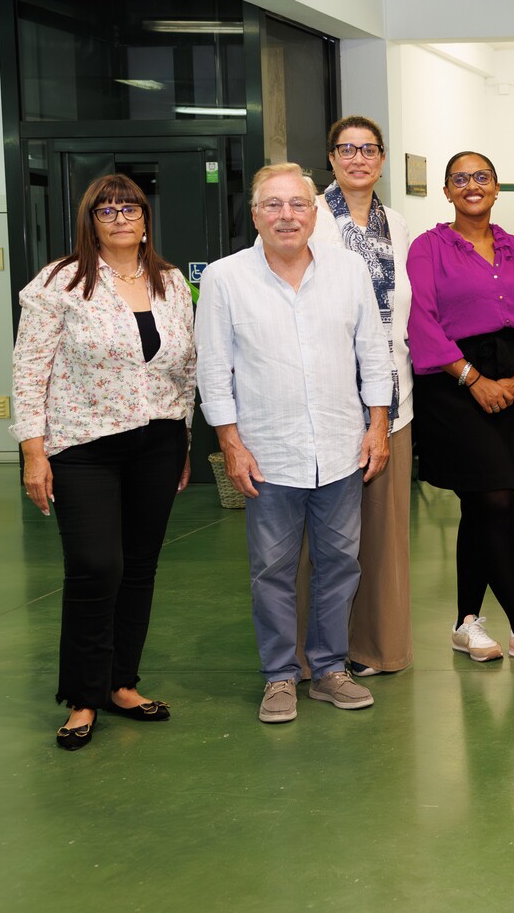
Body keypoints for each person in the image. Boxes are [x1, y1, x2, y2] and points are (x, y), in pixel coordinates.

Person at [195, 163, 392, 723]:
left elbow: (372, 352)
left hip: (340, 447)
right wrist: (231, 443)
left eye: (298, 204)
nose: (287, 216)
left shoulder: (348, 270)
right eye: (273, 205)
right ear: (256, 215)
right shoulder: (226, 278)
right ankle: (280, 676)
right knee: (272, 572)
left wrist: (377, 426)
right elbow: (214, 368)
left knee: (340, 565)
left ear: (314, 212)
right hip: (269, 454)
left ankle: (329, 670)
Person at [12, 174, 196, 750]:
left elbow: (185, 369)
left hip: (159, 441)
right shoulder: (61, 281)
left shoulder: (170, 281)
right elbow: (29, 369)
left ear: (145, 217)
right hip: (82, 445)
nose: (120, 218)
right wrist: (33, 452)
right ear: (90, 220)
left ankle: (121, 684)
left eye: (130, 207)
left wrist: (185, 441)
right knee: (95, 565)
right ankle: (83, 696)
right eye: (106, 210)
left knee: (139, 566)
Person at [408, 151, 514, 664]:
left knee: (480, 506)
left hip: (513, 382)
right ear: (446, 191)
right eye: (460, 179)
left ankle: (465, 623)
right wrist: (474, 379)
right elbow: (422, 322)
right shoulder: (428, 248)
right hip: (454, 383)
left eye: (481, 177)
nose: (472, 186)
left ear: (496, 187)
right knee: (495, 502)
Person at [301, 114, 415, 678]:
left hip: (392, 400)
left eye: (369, 149)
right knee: (318, 538)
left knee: (383, 534)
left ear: (382, 158)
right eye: (346, 149)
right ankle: (311, 655)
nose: (358, 159)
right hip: (323, 399)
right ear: (331, 158)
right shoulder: (308, 216)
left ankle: (374, 646)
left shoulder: (399, 224)